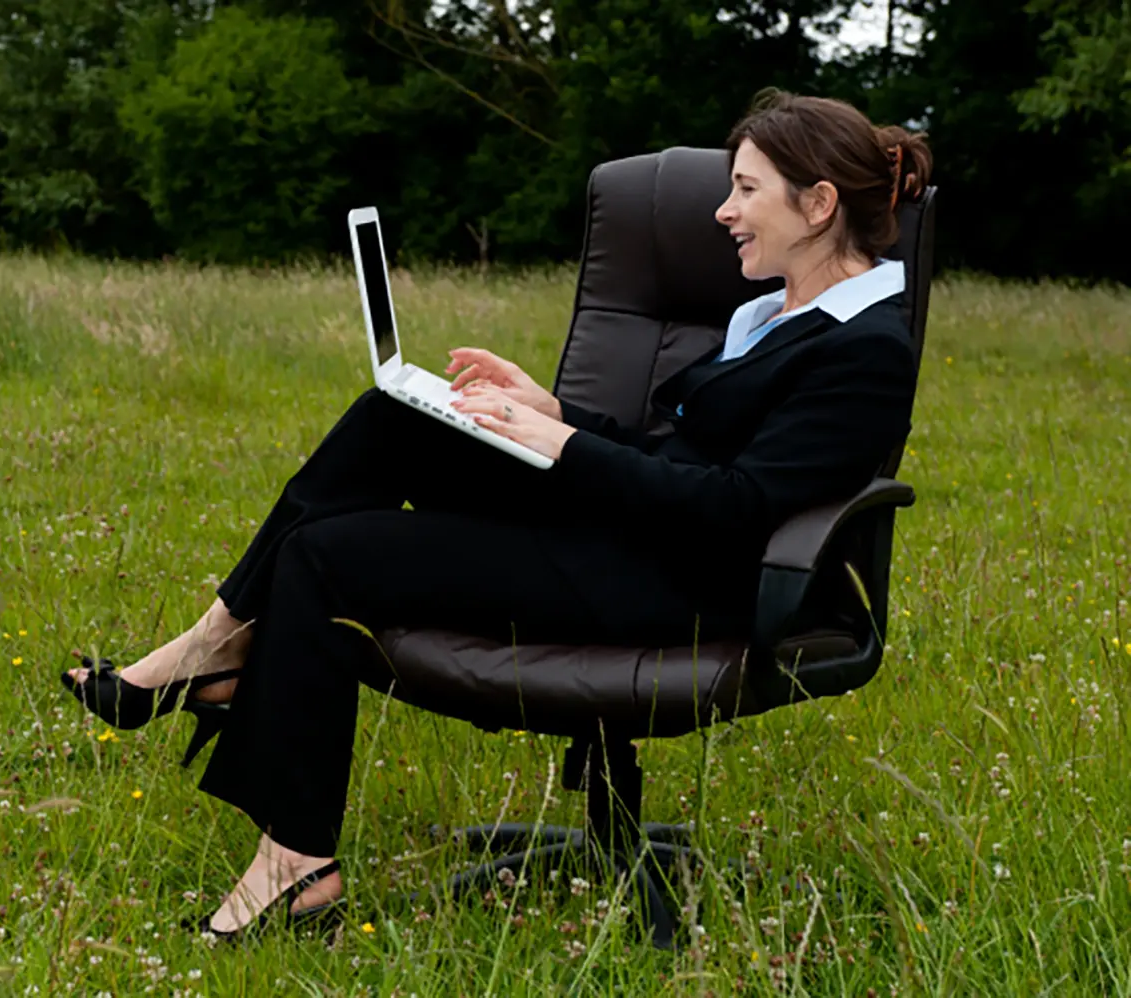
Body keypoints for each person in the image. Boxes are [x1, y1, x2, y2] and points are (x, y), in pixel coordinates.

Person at [60, 88, 934, 940]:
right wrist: (555, 412)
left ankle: (291, 850)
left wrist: (565, 451)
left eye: (745, 189)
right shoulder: (773, 310)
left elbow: (737, 510)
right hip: (634, 534)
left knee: (324, 558)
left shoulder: (864, 348)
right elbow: (674, 452)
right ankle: (219, 643)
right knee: (395, 415)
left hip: (679, 581)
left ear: (818, 205)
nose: (723, 212)